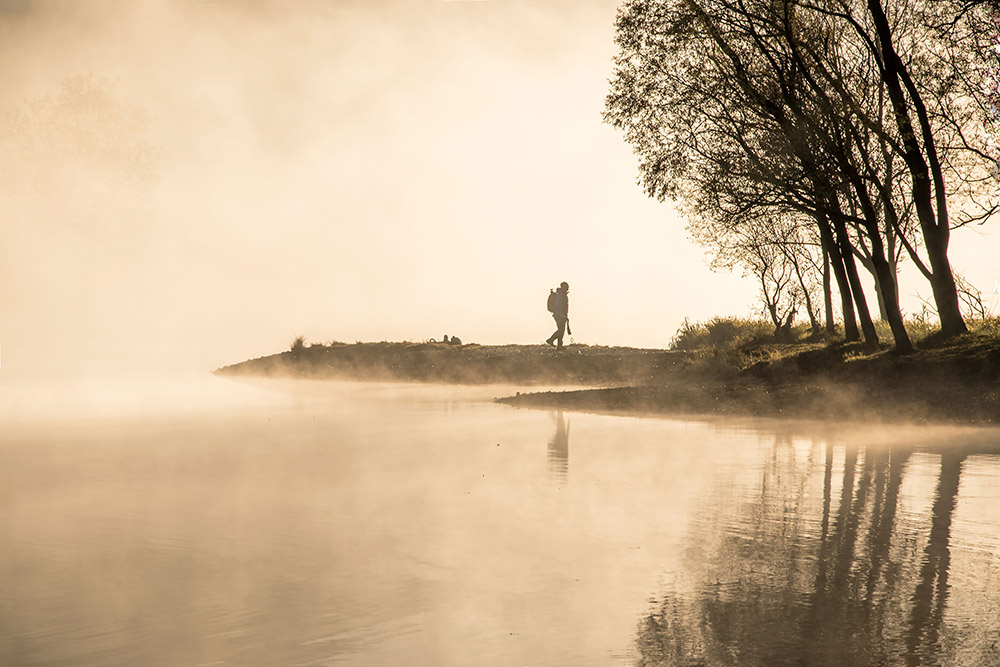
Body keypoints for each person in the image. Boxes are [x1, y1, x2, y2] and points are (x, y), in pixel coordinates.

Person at [545, 282, 570, 349]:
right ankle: (553, 341)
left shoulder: (561, 294)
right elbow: (559, 305)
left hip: (559, 314)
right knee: (561, 330)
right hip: (559, 315)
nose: (568, 288)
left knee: (561, 330)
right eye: (567, 286)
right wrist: (562, 314)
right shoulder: (561, 295)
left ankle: (558, 344)